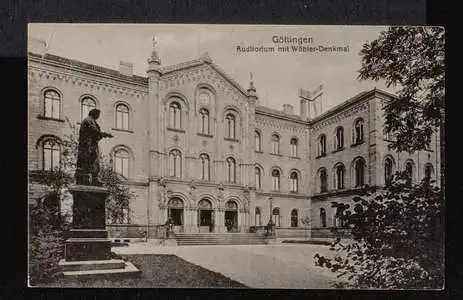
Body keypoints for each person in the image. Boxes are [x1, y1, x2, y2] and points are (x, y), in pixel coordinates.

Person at [75, 109, 113, 185]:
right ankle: (85, 179)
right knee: (87, 161)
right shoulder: (88, 120)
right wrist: (105, 134)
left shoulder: (92, 121)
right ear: (94, 114)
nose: (98, 116)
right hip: (87, 145)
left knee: (94, 162)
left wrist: (102, 135)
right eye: (98, 114)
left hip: (92, 145)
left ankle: (94, 179)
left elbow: (96, 133)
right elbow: (94, 130)